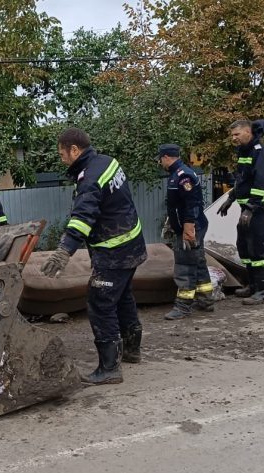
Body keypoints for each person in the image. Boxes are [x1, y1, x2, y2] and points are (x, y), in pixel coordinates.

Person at [41, 127, 147, 385]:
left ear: (74, 150)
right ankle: (132, 350)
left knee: (100, 303)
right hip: (132, 243)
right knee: (122, 298)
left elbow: (82, 219)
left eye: (62, 153)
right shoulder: (109, 162)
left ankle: (109, 368)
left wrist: (63, 251)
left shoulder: (88, 179)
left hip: (114, 252)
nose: (62, 158)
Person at [217, 119, 264, 305]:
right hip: (248, 207)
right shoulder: (245, 151)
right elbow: (243, 179)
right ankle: (252, 285)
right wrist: (231, 198)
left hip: (260, 208)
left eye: (237, 134)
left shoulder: (260, 152)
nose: (233, 138)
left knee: (257, 248)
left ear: (248, 132)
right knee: (244, 246)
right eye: (232, 135)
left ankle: (262, 291)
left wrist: (250, 209)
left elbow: (260, 182)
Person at [157, 144, 214, 320]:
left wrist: (188, 228)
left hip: (190, 228)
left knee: (185, 265)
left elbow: (192, 204)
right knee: (198, 261)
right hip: (189, 226)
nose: (160, 163)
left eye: (160, 159)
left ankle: (183, 306)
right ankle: (206, 300)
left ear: (166, 157)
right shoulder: (178, 174)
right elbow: (177, 206)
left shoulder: (183, 176)